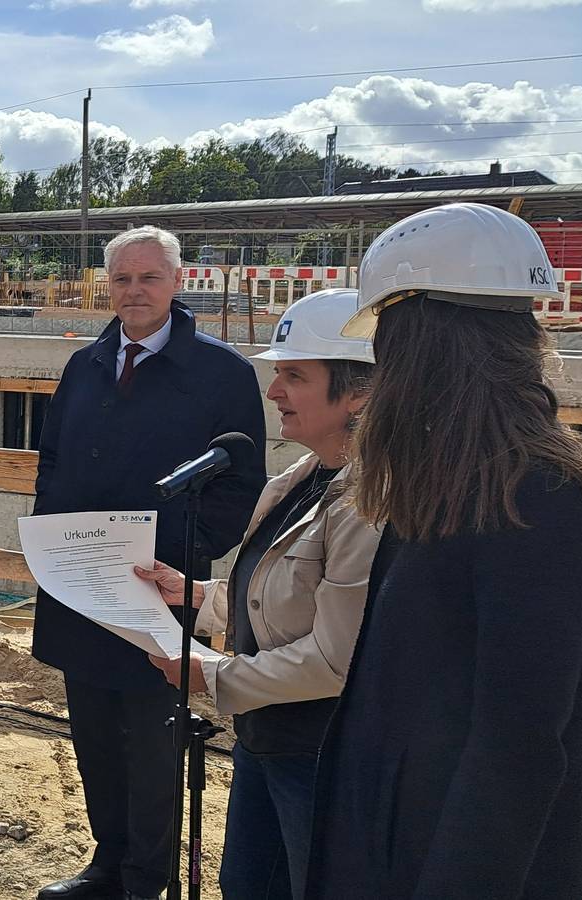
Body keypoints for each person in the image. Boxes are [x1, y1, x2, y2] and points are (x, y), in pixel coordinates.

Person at [306, 203, 582, 899]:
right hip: (392, 851)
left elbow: (517, 751)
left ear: (424, 346)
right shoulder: (450, 486)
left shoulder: (540, 499)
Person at [32, 226, 267, 900]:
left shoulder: (222, 375)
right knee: (96, 734)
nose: (135, 292)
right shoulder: (85, 365)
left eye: (149, 278)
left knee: (151, 741)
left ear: (177, 280)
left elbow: (240, 482)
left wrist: (186, 558)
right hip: (82, 587)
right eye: (123, 280)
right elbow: (51, 462)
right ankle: (109, 862)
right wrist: (57, 537)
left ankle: (147, 877)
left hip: (159, 590)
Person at [132, 289, 379, 900]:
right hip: (264, 741)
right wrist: (192, 594)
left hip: (318, 757)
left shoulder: (369, 502)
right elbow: (273, 595)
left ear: (356, 392)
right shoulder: (300, 478)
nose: (273, 392)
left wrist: (212, 678)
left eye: (294, 375)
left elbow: (331, 660)